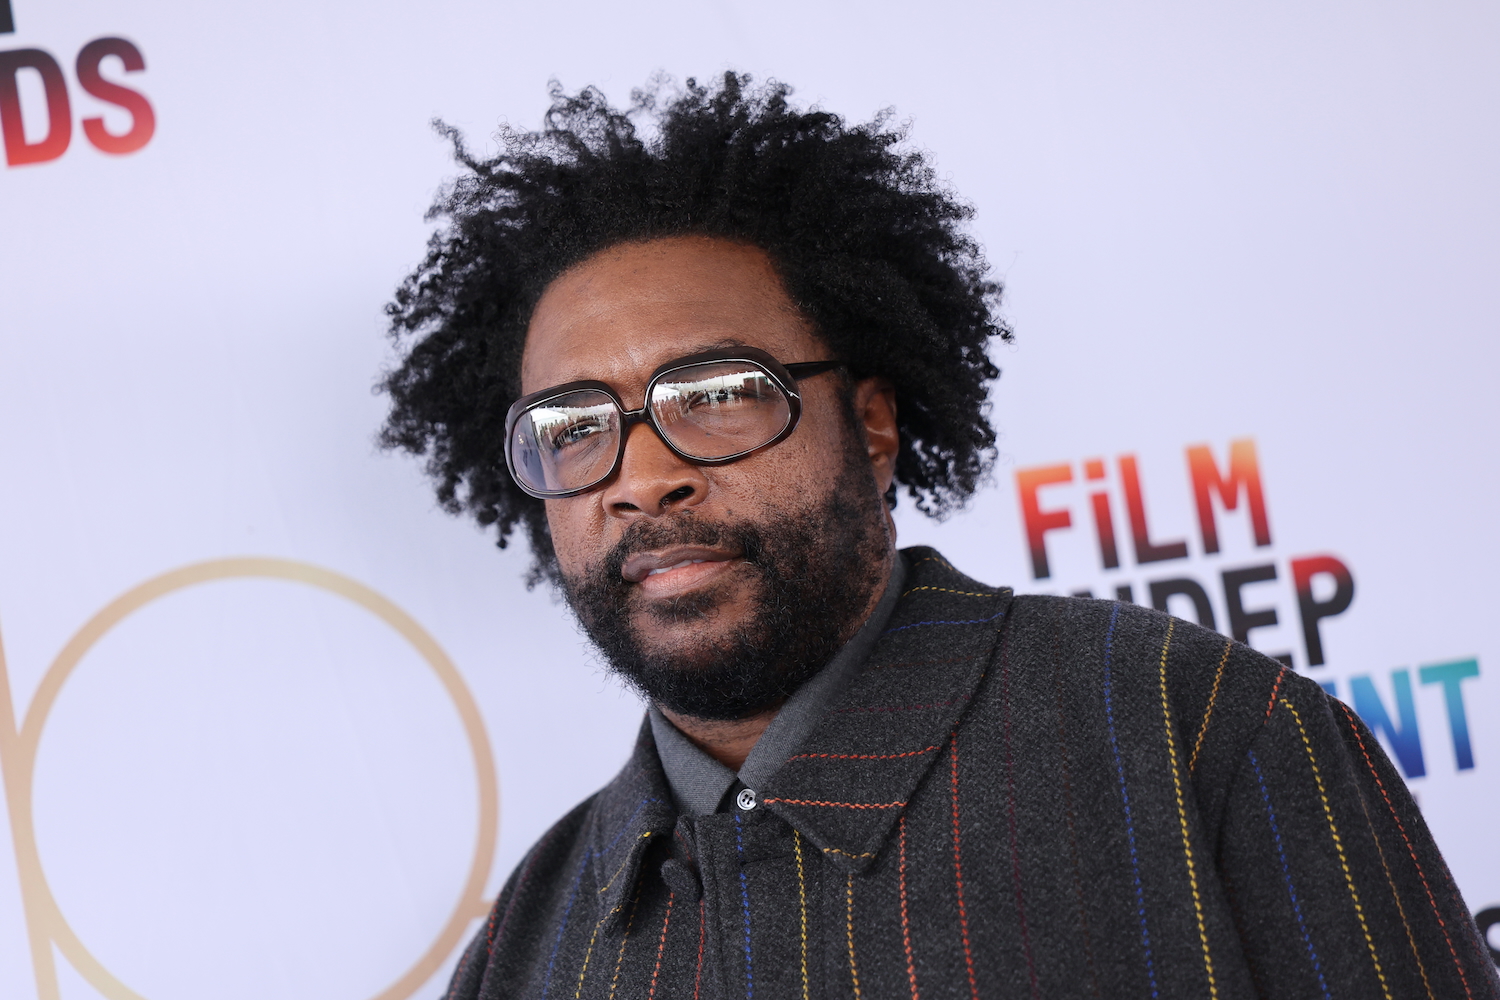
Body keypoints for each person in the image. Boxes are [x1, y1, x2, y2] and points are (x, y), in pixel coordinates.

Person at [380, 73, 1498, 1000]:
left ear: (871, 427)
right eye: (572, 428)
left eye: (717, 394)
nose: (640, 478)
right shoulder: (530, 940)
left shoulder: (1196, 731)